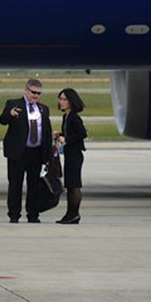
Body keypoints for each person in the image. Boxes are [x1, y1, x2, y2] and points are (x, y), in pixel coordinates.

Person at [0, 77, 53, 223]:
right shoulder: (14, 104)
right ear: (26, 91)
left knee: (34, 185)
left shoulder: (43, 109)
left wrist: (47, 155)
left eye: (38, 93)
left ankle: (33, 214)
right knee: (15, 184)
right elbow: (2, 120)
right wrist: (10, 114)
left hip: (36, 152)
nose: (36, 96)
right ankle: (14, 214)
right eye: (33, 92)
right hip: (18, 152)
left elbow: (47, 131)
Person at [55, 88, 87, 224]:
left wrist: (66, 139)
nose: (61, 102)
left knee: (74, 185)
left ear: (71, 102)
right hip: (69, 154)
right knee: (69, 185)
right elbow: (69, 134)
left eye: (64, 99)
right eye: (60, 99)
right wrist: (60, 135)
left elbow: (82, 133)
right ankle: (69, 214)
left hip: (75, 155)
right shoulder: (66, 116)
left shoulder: (74, 117)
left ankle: (74, 214)